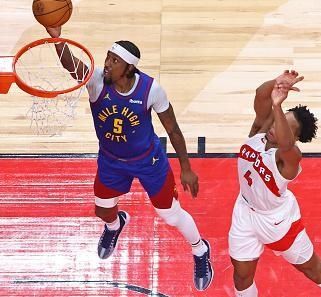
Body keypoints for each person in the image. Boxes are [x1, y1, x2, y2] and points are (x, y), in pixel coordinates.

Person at [45, 26, 213, 291]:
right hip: (111, 161)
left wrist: (186, 168)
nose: (107, 64)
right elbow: (71, 65)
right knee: (102, 210)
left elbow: (173, 129)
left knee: (170, 215)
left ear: (130, 68)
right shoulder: (97, 80)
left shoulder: (151, 89)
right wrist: (56, 38)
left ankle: (200, 249)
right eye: (108, 57)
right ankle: (116, 225)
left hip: (149, 162)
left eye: (115, 60)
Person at [228, 70, 321, 297]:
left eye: (285, 127)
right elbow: (261, 95)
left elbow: (286, 144)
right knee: (241, 277)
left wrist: (278, 108)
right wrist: (276, 85)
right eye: (280, 120)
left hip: (276, 222)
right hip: (244, 211)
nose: (274, 127)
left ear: (295, 137)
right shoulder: (260, 132)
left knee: (313, 269)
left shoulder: (290, 158)